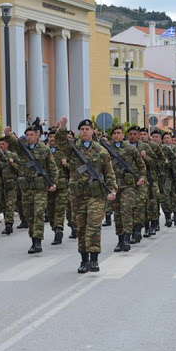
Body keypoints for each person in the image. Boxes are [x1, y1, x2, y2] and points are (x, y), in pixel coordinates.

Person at [55, 117, 117, 273]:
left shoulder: (101, 151)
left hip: (96, 195)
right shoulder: (73, 149)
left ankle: (94, 259)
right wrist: (62, 127)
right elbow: (61, 141)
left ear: (92, 131)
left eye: (87, 129)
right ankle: (84, 260)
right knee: (81, 227)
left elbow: (109, 173)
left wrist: (112, 190)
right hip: (78, 196)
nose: (84, 131)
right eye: (82, 129)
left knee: (94, 225)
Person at [4, 126, 58, 254]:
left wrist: (53, 183)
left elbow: (52, 167)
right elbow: (13, 143)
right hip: (26, 188)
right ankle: (33, 238)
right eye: (27, 135)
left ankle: (38, 241)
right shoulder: (22, 149)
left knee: (38, 212)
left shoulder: (44, 149)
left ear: (37, 135)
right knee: (29, 215)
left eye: (31, 134)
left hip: (40, 188)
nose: (29, 137)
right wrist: (8, 135)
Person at [105, 125, 146, 250]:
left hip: (128, 185)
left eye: (119, 133)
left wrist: (141, 177)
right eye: (114, 133)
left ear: (123, 135)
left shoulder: (130, 148)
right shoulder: (106, 149)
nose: (117, 135)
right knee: (117, 214)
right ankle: (120, 239)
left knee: (126, 211)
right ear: (112, 136)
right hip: (114, 186)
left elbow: (141, 165)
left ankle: (127, 238)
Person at [0, 137, 20, 236]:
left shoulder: (12, 155)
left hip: (11, 184)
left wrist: (12, 163)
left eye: (3, 144)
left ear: (7, 145)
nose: (1, 146)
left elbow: (20, 168)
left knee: (10, 204)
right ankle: (7, 221)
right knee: (4, 205)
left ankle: (8, 224)